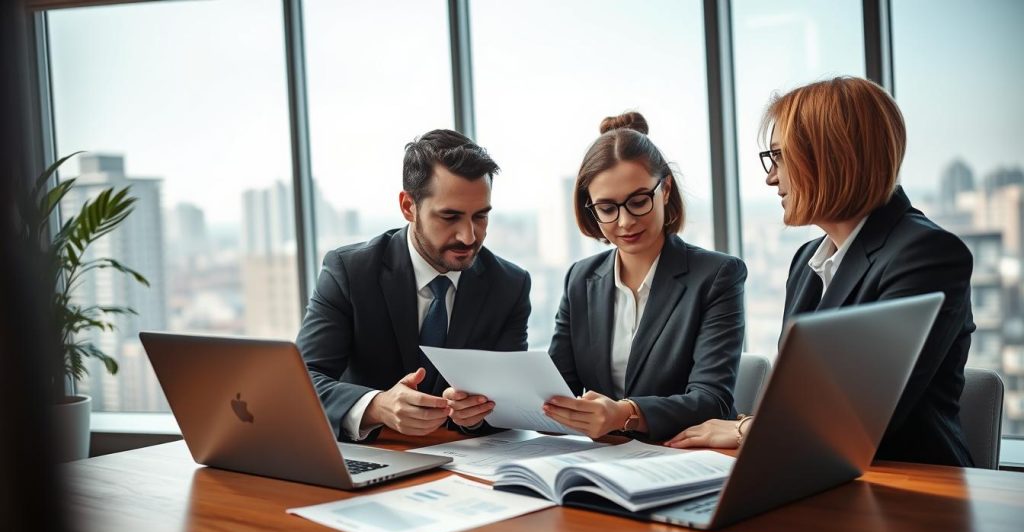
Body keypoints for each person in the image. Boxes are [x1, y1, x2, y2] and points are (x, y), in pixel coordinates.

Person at [666, 77, 976, 467]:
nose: (770, 177)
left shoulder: (926, 255)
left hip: (910, 488)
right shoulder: (806, 262)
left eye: (779, 157)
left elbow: (857, 420)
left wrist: (745, 428)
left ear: (831, 155)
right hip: (813, 475)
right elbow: (797, 401)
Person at [296, 129, 531, 441]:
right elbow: (301, 383)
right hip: (373, 454)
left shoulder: (509, 285)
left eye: (480, 217)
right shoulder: (351, 272)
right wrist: (377, 406)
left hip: (462, 467)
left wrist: (474, 416)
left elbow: (511, 406)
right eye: (450, 217)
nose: (469, 236)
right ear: (408, 207)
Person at [543, 112, 747, 441]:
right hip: (599, 459)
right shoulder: (581, 279)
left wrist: (626, 414)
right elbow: (555, 392)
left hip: (675, 456)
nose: (624, 222)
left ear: (665, 189)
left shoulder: (716, 275)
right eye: (607, 208)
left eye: (638, 201)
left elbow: (713, 401)